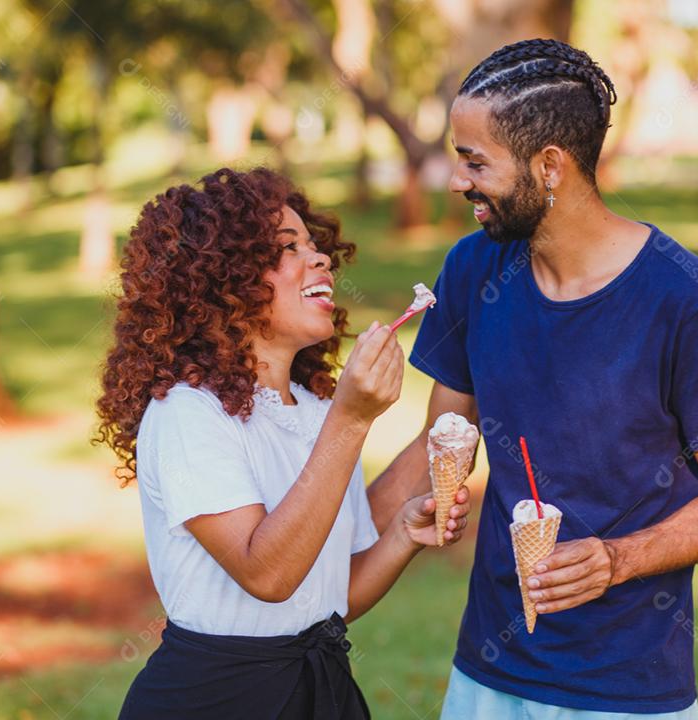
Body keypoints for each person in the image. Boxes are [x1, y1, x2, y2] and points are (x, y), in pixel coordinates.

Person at [367, 39, 698, 718]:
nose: (457, 182)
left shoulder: (687, 301)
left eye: (474, 163)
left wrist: (618, 559)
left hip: (629, 692)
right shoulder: (473, 270)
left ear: (549, 165)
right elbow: (446, 437)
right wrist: (321, 546)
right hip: (488, 676)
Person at [93, 167, 471, 720]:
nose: (319, 259)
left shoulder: (315, 409)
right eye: (287, 248)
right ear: (222, 281)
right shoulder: (186, 413)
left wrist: (404, 536)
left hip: (320, 691)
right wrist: (352, 420)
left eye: (315, 246)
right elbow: (268, 574)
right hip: (215, 700)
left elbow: (329, 596)